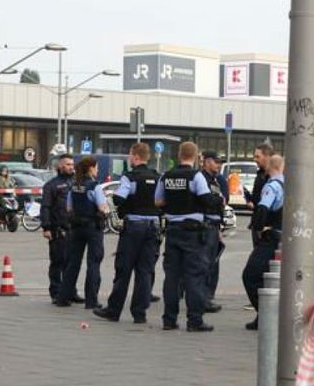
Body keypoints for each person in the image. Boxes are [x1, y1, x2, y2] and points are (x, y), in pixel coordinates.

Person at [95, 142, 161, 324]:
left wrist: (122, 208)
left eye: (130, 155)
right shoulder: (157, 177)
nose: (129, 159)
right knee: (145, 271)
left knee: (123, 269)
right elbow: (161, 201)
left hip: (133, 227)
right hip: (153, 226)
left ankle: (114, 310)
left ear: (136, 156)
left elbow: (119, 198)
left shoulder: (130, 177)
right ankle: (140, 313)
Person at [155, 141, 216, 332]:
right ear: (196, 156)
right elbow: (206, 199)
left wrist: (171, 207)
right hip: (192, 231)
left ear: (179, 155)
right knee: (194, 276)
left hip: (173, 229)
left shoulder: (166, 176)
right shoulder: (196, 176)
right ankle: (195, 320)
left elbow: (157, 201)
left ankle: (169, 319)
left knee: (172, 277)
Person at [242, 154, 285, 330]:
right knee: (267, 278)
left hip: (271, 237)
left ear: (270, 166)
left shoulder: (272, 186)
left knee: (250, 276)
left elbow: (262, 209)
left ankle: (267, 314)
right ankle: (263, 316)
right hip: (283, 237)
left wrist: (258, 229)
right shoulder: (288, 184)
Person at [59, 155, 108, 309]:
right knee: (93, 263)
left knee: (72, 263)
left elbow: (68, 208)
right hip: (93, 227)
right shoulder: (95, 186)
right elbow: (102, 208)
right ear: (91, 168)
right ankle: (91, 300)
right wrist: (107, 209)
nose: (98, 170)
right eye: (97, 167)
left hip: (76, 227)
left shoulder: (74, 186)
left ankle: (63, 297)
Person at [41, 155, 76, 304]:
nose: (71, 167)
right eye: (68, 164)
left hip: (73, 229)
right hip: (57, 229)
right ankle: (56, 292)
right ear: (60, 166)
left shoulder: (75, 183)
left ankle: (71, 291)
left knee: (71, 263)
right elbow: (46, 207)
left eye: (72, 164)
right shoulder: (52, 185)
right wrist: (46, 227)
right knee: (57, 262)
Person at [199, 150, 229, 313]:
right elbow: (209, 201)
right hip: (205, 224)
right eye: (216, 162)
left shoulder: (217, 180)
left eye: (220, 162)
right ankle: (203, 299)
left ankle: (208, 296)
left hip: (215, 225)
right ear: (207, 161)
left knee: (213, 263)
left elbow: (224, 201)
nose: (218, 165)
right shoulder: (201, 178)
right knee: (205, 263)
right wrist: (219, 201)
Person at [245, 143, 274, 247]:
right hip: (257, 223)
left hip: (267, 225)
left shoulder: (273, 177)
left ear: (267, 157)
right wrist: (248, 198)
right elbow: (257, 199)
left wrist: (262, 226)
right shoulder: (260, 175)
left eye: (258, 156)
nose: (255, 159)